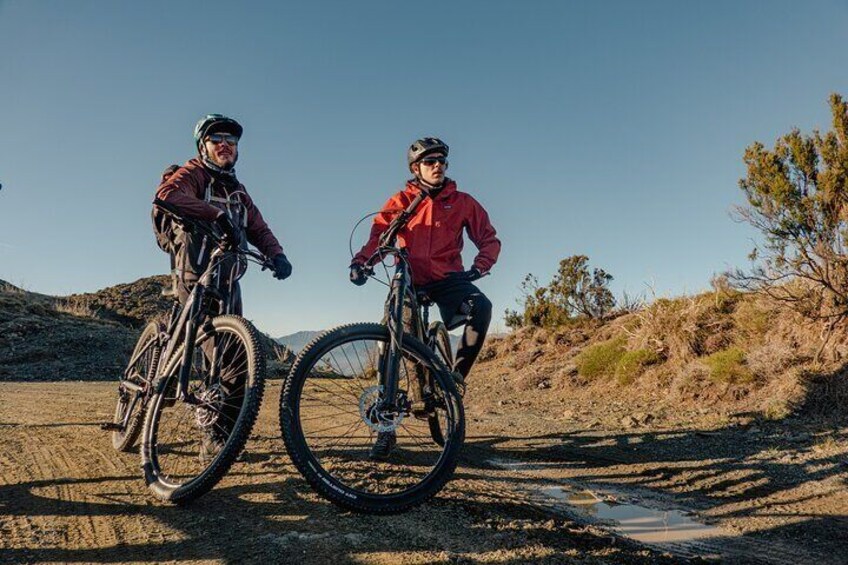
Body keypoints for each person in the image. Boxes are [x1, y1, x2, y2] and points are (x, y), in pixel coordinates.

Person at [350, 137, 501, 459]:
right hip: (408, 279)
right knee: (394, 337)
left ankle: (454, 379)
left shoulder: (462, 201)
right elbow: (379, 237)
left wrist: (478, 268)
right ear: (416, 168)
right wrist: (361, 263)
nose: (437, 167)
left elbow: (488, 238)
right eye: (430, 162)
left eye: (442, 162)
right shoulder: (401, 201)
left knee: (481, 307)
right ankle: (386, 428)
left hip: (448, 278)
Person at [154, 114, 292, 460]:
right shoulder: (195, 173)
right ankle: (168, 380)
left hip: (229, 278)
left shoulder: (238, 192)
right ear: (204, 146)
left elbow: (258, 228)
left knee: (236, 356)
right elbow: (167, 194)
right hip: (196, 273)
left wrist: (277, 255)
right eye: (217, 140)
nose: (225, 145)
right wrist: (216, 217)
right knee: (214, 347)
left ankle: (219, 435)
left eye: (231, 141)